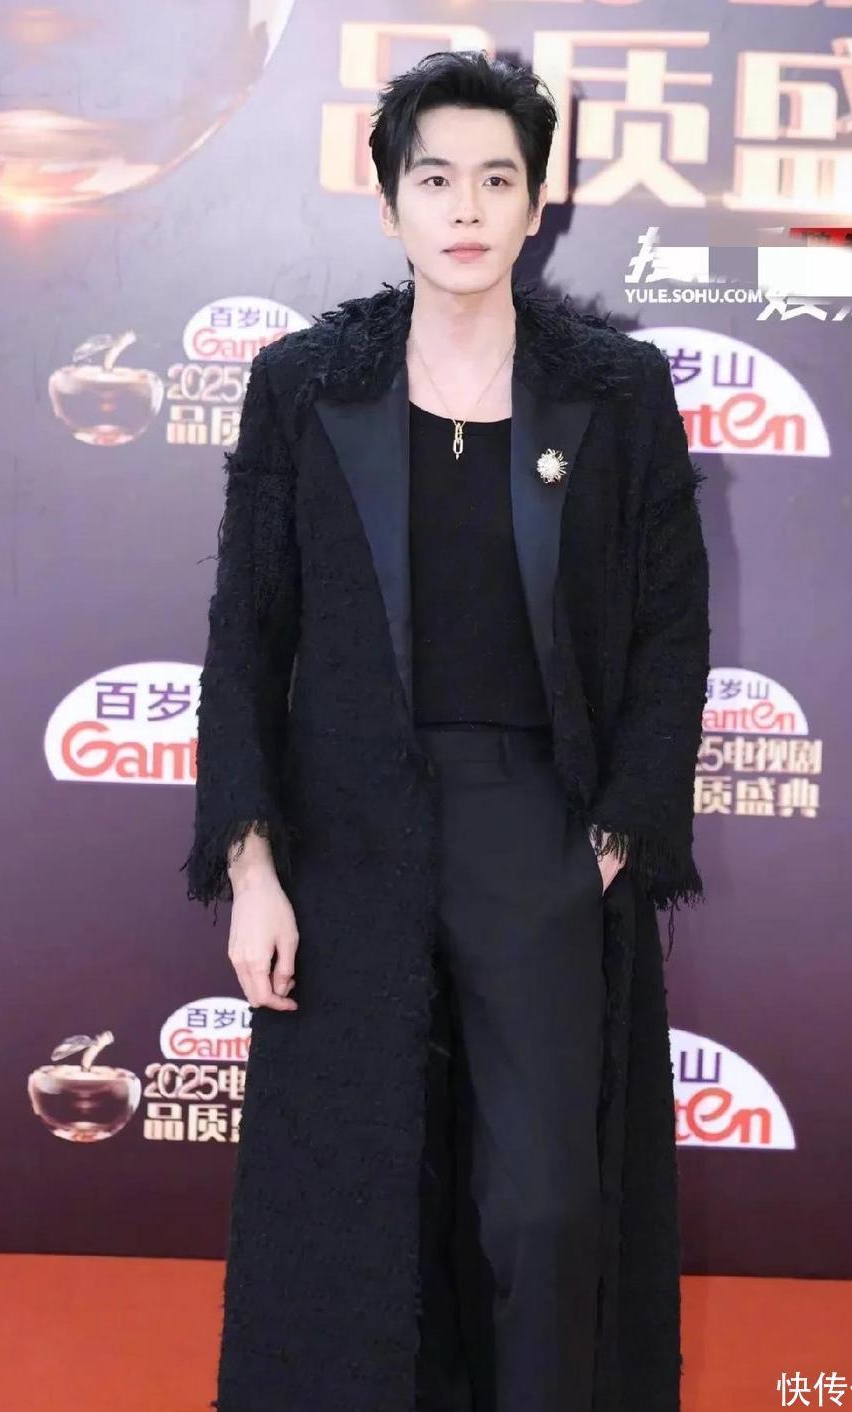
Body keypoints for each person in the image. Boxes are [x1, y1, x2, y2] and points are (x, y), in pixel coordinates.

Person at [182, 48, 711, 1412]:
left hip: (538, 828)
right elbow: (247, 633)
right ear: (388, 203)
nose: (465, 208)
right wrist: (251, 861)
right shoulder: (306, 386)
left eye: (496, 179)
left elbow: (670, 633)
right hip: (347, 836)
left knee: (545, 1205)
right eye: (434, 180)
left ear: (538, 203)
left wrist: (613, 838)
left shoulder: (615, 393)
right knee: (360, 1205)